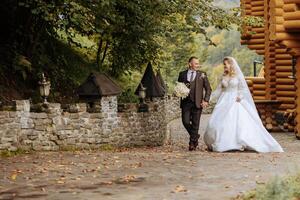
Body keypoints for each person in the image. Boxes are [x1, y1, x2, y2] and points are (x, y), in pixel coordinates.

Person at [203, 57, 283, 153]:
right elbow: (218, 90)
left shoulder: (237, 76)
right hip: (224, 101)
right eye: (224, 64)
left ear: (231, 64)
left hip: (235, 101)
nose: (224, 66)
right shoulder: (223, 76)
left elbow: (243, 89)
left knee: (238, 122)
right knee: (218, 122)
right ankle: (224, 141)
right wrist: (207, 100)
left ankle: (239, 141)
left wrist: (239, 96)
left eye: (226, 64)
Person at [178, 56, 212, 151]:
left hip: (198, 103)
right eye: (196, 63)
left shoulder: (202, 74)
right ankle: (195, 135)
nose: (198, 65)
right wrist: (178, 92)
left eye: (198, 63)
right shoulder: (182, 74)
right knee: (185, 122)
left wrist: (206, 100)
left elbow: (208, 89)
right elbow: (179, 86)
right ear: (190, 64)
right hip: (186, 103)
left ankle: (192, 144)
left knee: (195, 124)